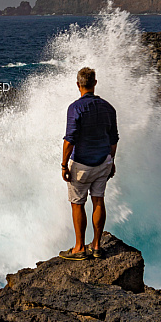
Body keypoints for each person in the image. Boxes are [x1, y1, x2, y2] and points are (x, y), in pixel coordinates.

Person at [59, 67, 118, 260]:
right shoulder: (108, 108)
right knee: (98, 200)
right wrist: (112, 161)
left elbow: (70, 140)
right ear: (94, 84)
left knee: (78, 204)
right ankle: (96, 246)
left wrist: (63, 164)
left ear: (78, 85)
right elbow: (113, 139)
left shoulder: (75, 108)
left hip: (82, 165)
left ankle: (79, 248)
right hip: (103, 162)